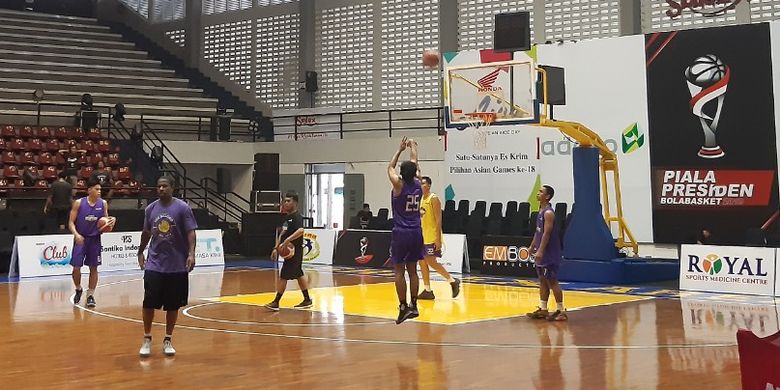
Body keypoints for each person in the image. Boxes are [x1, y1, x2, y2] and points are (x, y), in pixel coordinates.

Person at [137, 176, 197, 357]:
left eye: (164, 186)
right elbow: (146, 232)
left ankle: (168, 339)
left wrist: (191, 254)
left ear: (172, 188)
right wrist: (140, 252)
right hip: (155, 264)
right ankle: (147, 338)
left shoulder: (183, 208)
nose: (161, 189)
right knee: (149, 302)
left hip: (177, 265)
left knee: (173, 305)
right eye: (159, 186)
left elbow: (191, 232)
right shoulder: (150, 209)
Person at [388, 136, 423, 324]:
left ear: (402, 173)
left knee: (399, 272)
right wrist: (413, 147)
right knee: (413, 271)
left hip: (401, 233)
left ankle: (402, 307)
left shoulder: (398, 184)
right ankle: (414, 305)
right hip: (416, 231)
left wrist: (400, 149)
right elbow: (415, 163)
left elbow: (389, 167)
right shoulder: (418, 184)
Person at [69, 177, 114, 308]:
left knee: (93, 268)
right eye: (97, 189)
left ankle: (90, 295)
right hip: (81, 239)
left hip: (95, 239)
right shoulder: (78, 203)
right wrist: (76, 234)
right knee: (76, 268)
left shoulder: (103, 203)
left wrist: (109, 223)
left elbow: (106, 221)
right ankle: (78, 288)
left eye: (100, 189)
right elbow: (71, 222)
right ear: (89, 190)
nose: (99, 191)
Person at [264, 191, 312, 310]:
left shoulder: (296, 217)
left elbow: (301, 230)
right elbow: (282, 234)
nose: (285, 203)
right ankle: (307, 299)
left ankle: (276, 302)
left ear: (295, 202)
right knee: (299, 274)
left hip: (294, 251)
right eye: (284, 201)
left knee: (283, 276)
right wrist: (276, 248)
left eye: (288, 201)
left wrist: (288, 241)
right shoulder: (287, 218)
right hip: (289, 252)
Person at [526, 185, 566, 321]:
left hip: (549, 253)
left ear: (547, 196)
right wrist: (532, 247)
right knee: (542, 280)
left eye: (540, 192)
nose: (538, 193)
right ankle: (543, 309)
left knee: (552, 281)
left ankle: (561, 311)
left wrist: (541, 251)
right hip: (541, 251)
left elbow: (547, 233)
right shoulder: (540, 211)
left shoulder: (548, 213)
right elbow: (538, 232)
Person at [417, 176, 460, 300]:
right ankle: (427, 290)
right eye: (420, 183)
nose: (420, 186)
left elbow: (438, 220)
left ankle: (452, 281)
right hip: (422, 236)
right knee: (422, 262)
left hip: (432, 236)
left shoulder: (433, 199)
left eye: (423, 183)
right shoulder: (420, 199)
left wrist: (438, 239)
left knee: (430, 261)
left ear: (429, 185)